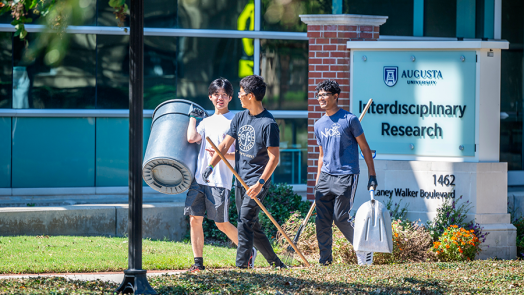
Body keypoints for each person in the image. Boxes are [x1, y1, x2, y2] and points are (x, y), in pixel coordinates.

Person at [203, 75, 286, 269]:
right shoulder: (240, 117)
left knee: (244, 222)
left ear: (250, 95)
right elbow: (224, 146)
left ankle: (241, 268)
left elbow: (274, 158)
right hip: (240, 180)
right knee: (252, 225)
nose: (238, 95)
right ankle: (276, 263)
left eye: (240, 92)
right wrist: (211, 166)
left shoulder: (268, 124)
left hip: (257, 182)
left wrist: (260, 184)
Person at [185, 78, 256, 272]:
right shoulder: (206, 121)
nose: (220, 98)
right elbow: (192, 138)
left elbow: (244, 153)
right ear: (210, 97)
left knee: (221, 223)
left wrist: (222, 154)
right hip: (199, 178)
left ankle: (248, 251)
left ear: (231, 97)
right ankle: (198, 263)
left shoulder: (236, 120)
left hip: (220, 180)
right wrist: (193, 117)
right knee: (195, 219)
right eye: (216, 94)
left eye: (224, 95)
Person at [313, 79, 378, 266]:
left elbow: (365, 148)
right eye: (319, 95)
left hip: (346, 174)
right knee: (322, 220)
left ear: (335, 96)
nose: (321, 98)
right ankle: (325, 260)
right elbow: (321, 155)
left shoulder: (350, 119)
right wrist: (318, 181)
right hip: (326, 176)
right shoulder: (318, 124)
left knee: (340, 217)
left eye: (325, 94)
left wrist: (372, 175)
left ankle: (363, 248)